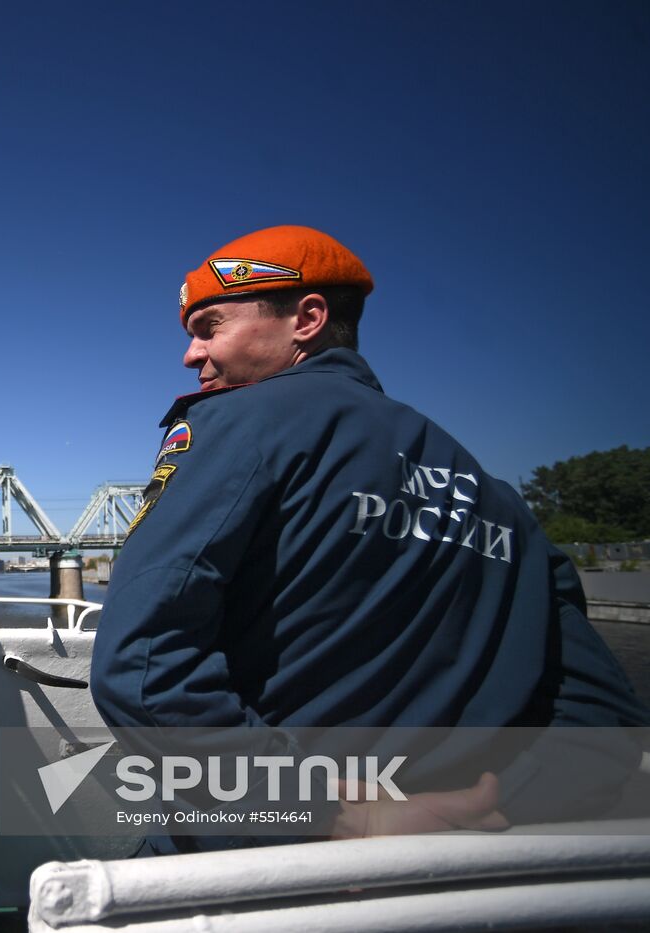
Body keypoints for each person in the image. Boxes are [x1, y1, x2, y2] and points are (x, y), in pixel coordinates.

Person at [89, 224, 649, 841]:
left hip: (262, 866)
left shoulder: (239, 426)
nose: (192, 356)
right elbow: (605, 719)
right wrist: (487, 812)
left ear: (306, 318)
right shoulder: (499, 497)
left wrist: (339, 819)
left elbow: (141, 666)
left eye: (209, 327)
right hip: (471, 879)